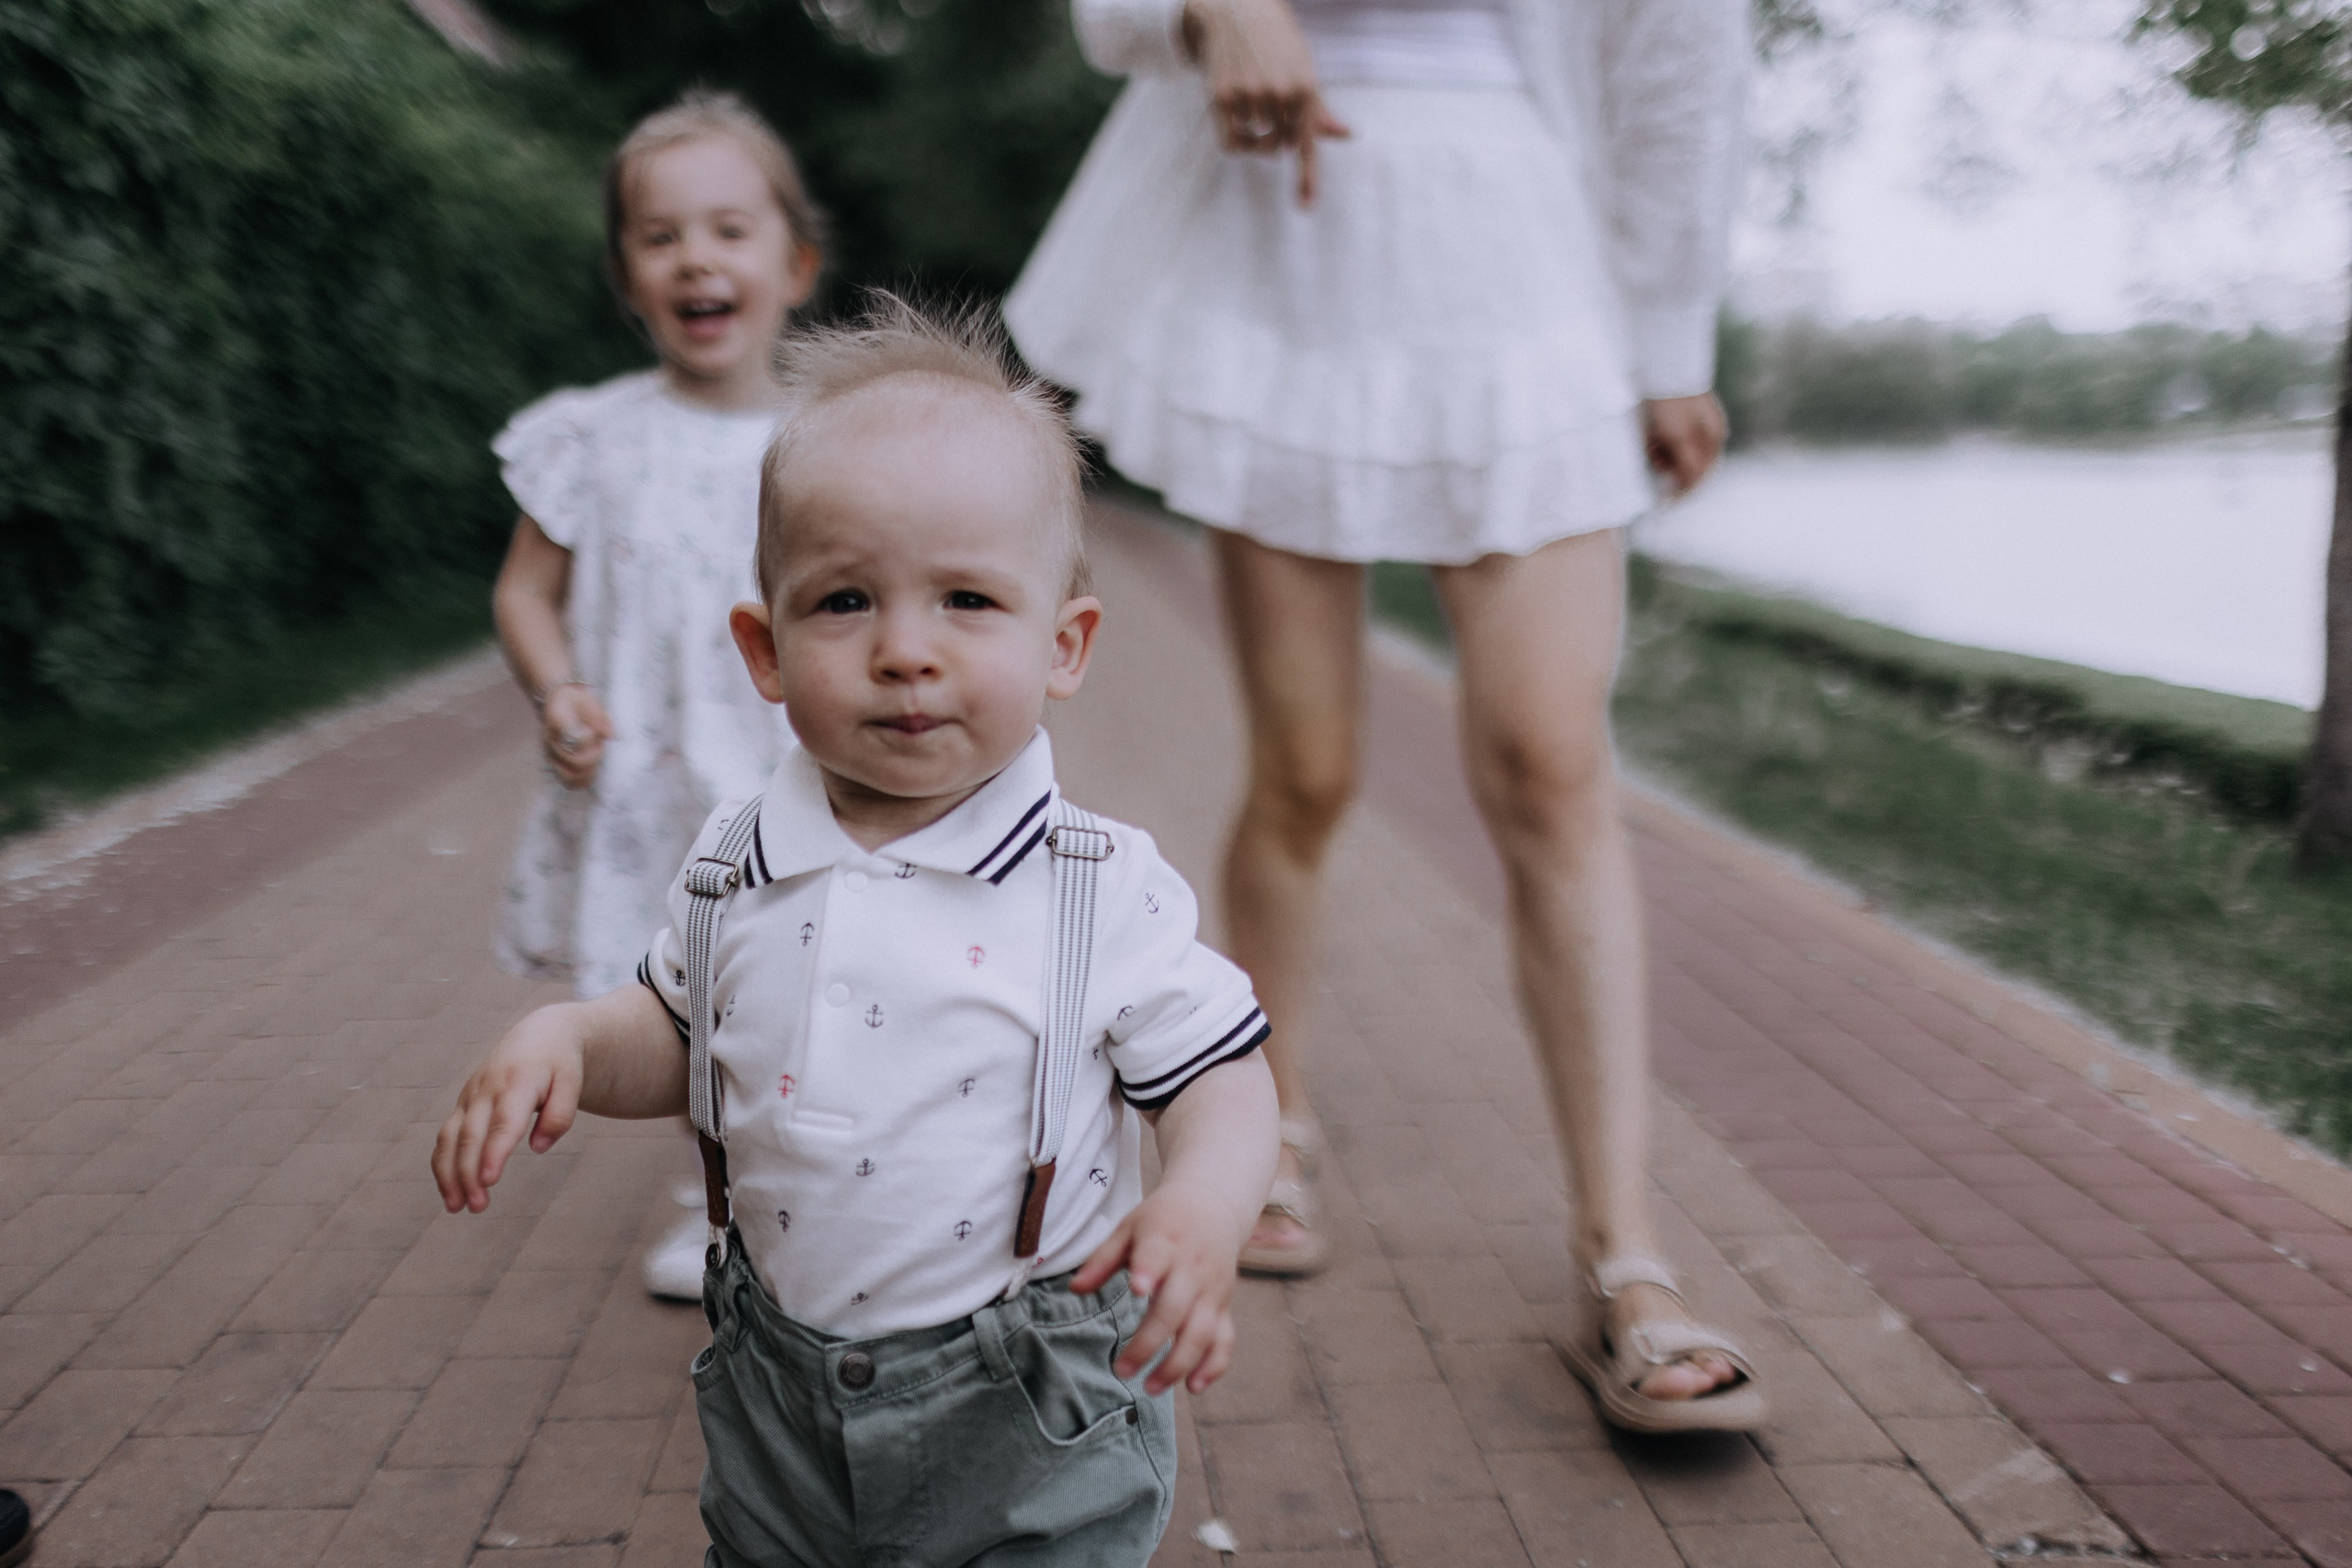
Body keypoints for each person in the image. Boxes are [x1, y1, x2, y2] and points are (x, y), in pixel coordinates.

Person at [1005, 0, 1763, 1431]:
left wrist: (1671, 341)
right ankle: (1267, 1126)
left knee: (1551, 764)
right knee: (1305, 771)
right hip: (1288, 256)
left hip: (1523, 254)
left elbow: (1682, 59)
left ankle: (1627, 1259)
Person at [433, 298, 1282, 1566]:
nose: (903, 652)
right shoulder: (732, 862)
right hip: (779, 1396)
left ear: (1065, 645)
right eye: (844, 603)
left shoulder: (1094, 887)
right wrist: (571, 1039)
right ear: (765, 651)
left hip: (1028, 1403)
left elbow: (1221, 1077)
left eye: (966, 602)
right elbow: (673, 1030)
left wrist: (1205, 1211)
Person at [489, 91, 821, 1301]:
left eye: (730, 229)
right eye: (661, 235)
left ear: (794, 260)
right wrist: (557, 689)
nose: (697, 259)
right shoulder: (589, 438)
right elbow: (525, 592)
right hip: (651, 779)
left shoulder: (824, 441)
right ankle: (713, 1201)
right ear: (627, 273)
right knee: (684, 994)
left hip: (786, 765)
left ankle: (813, 1193)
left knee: (799, 985)